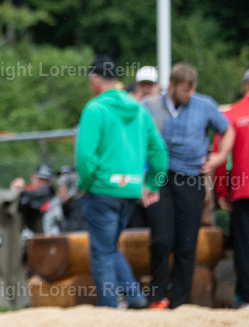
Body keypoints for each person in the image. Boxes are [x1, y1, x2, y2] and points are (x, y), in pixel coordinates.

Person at [77, 55, 167, 309]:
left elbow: (85, 156)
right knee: (109, 246)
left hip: (102, 189)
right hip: (130, 189)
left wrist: (85, 182)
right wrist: (153, 184)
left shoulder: (95, 109)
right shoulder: (139, 108)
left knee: (102, 252)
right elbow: (159, 152)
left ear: (95, 79)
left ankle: (109, 309)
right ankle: (136, 297)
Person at [142, 63, 233, 309]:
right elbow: (138, 140)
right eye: (184, 90)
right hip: (159, 179)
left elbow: (228, 130)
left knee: (186, 241)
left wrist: (220, 156)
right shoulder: (150, 107)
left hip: (191, 178)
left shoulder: (204, 105)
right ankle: (157, 297)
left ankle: (181, 302)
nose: (189, 94)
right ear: (171, 85)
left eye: (192, 89)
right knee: (161, 238)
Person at [215, 69, 249, 309]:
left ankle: (246, 296)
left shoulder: (231, 115)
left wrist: (221, 191)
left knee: (244, 245)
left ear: (243, 86)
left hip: (242, 190)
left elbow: (220, 155)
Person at [42, 166, 86, 235]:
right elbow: (48, 223)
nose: (59, 190)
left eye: (62, 186)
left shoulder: (81, 204)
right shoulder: (58, 202)